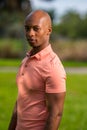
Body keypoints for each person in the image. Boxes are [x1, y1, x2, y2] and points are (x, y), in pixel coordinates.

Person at [8, 10, 66, 130]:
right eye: (27, 28)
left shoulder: (53, 67)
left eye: (36, 28)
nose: (30, 33)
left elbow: (56, 114)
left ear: (49, 30)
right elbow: (20, 101)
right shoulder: (26, 60)